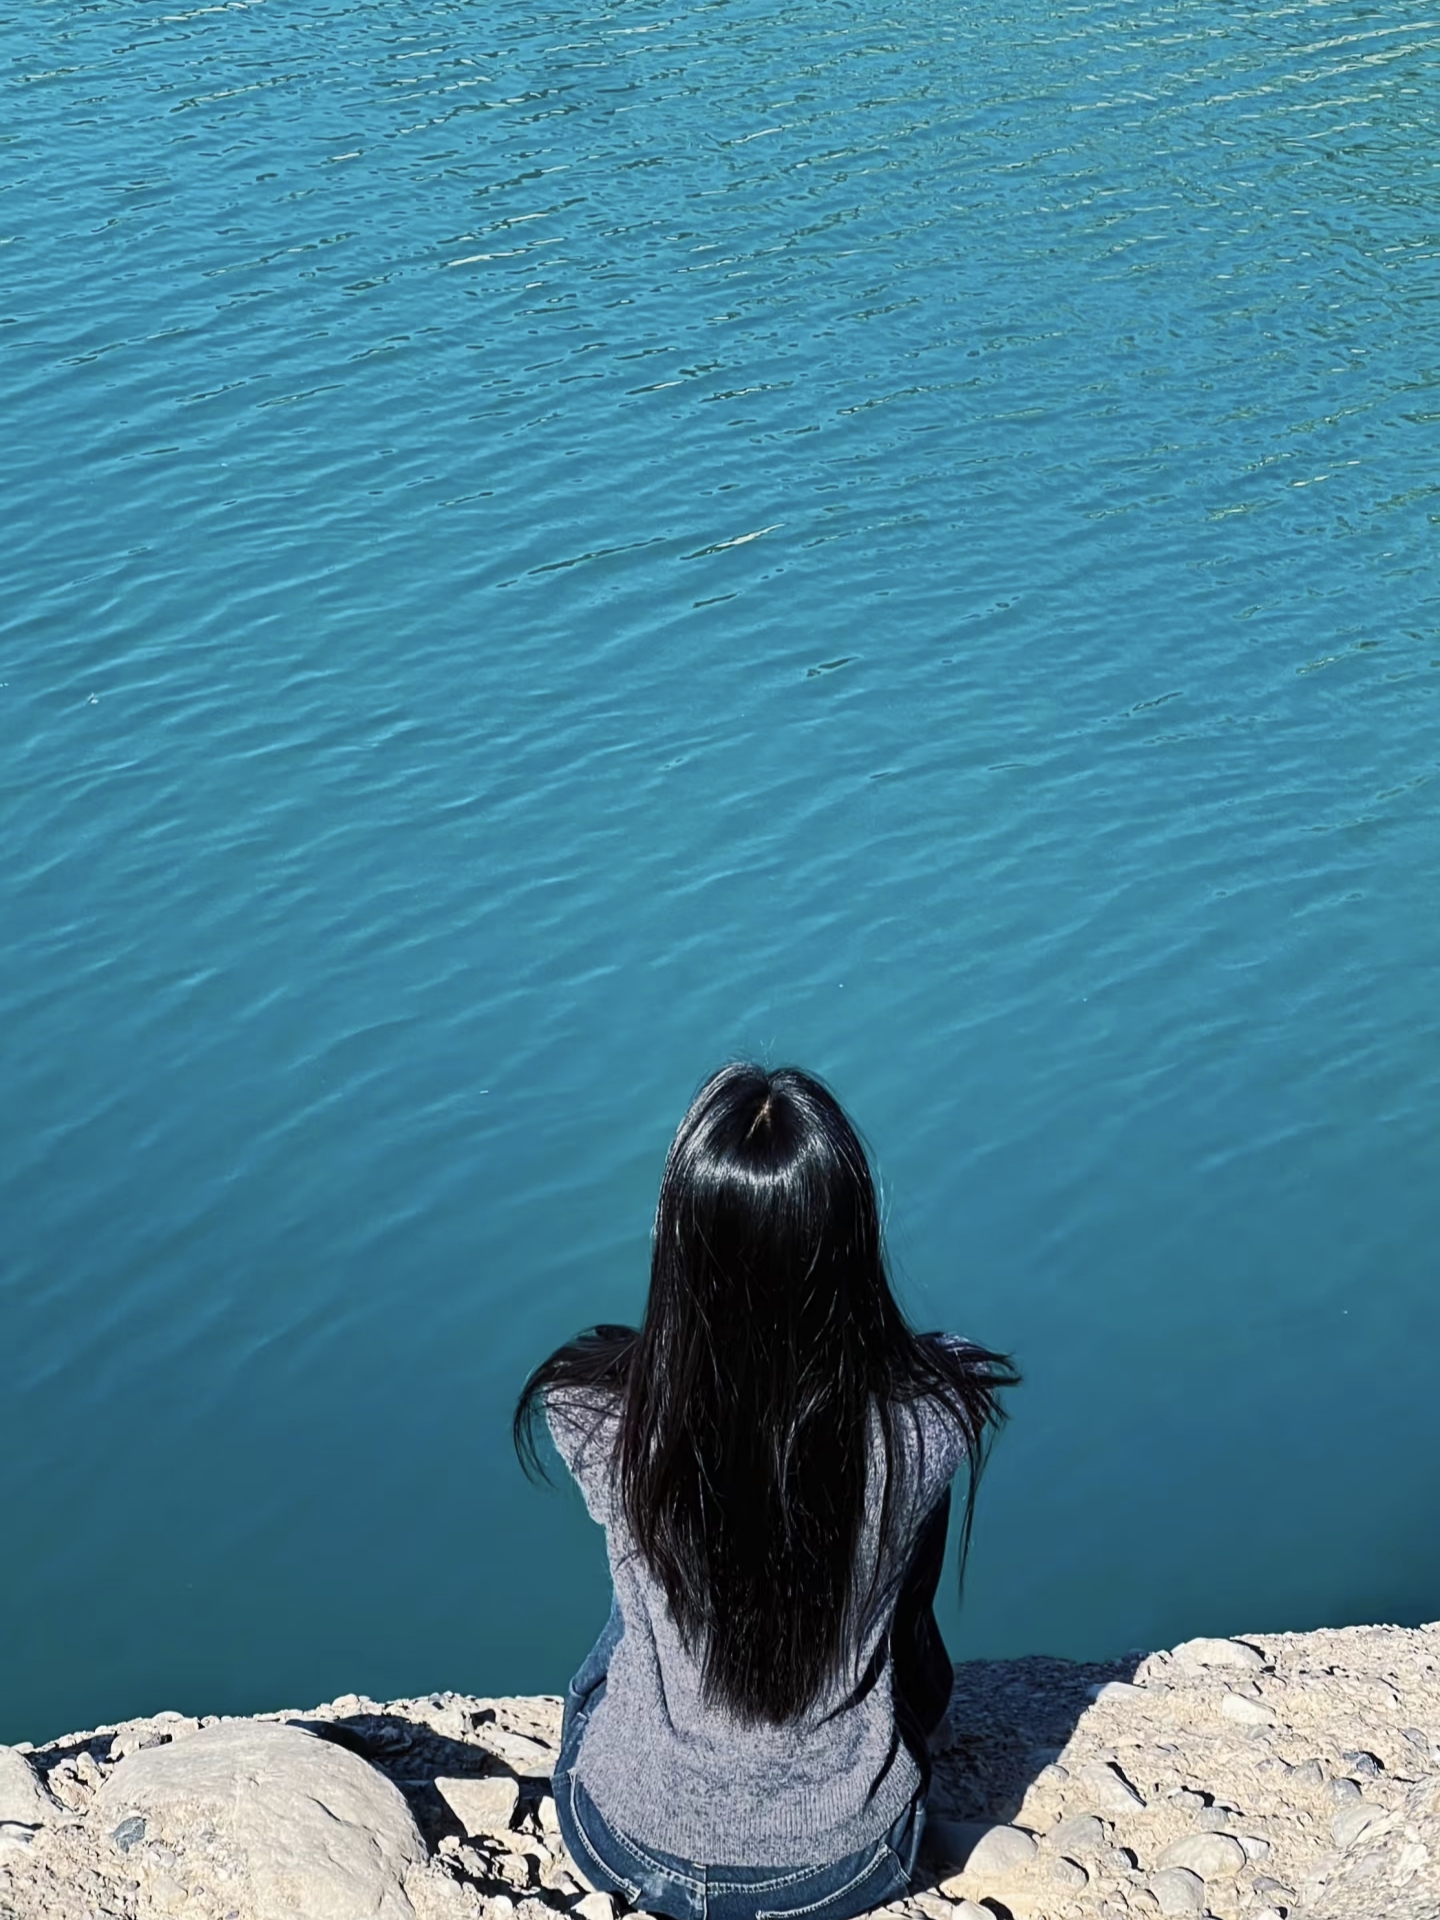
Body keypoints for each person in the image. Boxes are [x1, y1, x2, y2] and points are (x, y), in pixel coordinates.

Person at [514, 1064, 1018, 1920]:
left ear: (678, 1237)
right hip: (844, 1864)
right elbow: (953, 1365)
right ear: (853, 1237)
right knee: (894, 1523)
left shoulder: (592, 1411)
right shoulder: (932, 1416)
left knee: (650, 1560)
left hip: (625, 1842)